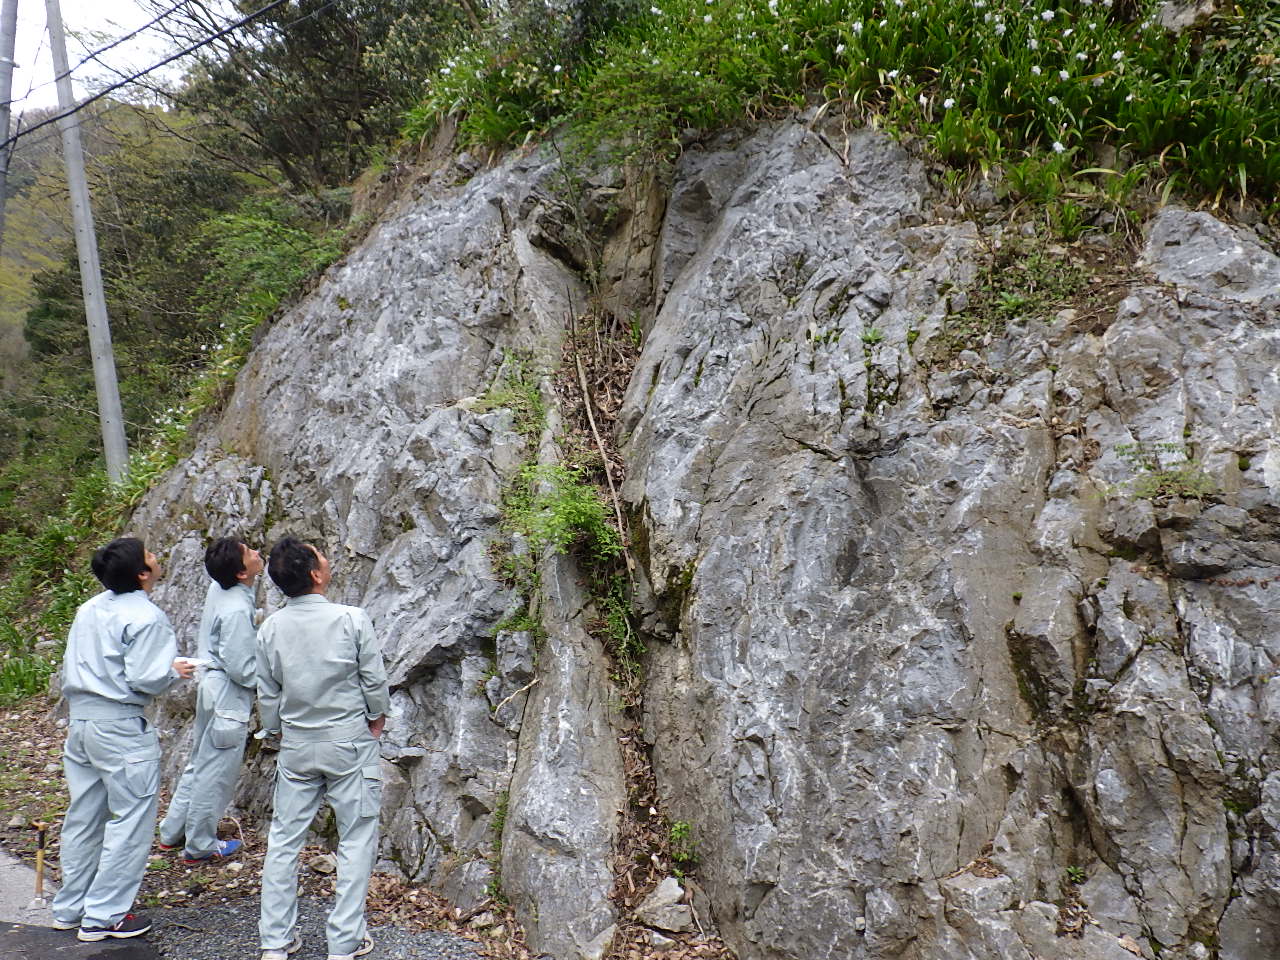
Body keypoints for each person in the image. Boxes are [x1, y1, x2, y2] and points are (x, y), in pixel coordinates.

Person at [50, 537, 196, 941]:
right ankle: (105, 915)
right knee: (130, 819)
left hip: (81, 722)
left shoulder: (88, 609)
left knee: (84, 816)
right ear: (142, 574)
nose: (155, 556)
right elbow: (146, 677)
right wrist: (174, 670)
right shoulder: (147, 616)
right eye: (149, 555)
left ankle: (70, 907)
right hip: (120, 725)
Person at [256, 537, 389, 960]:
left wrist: (276, 730)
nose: (326, 559)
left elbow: (268, 695)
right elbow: (373, 680)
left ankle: (275, 942)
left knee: (284, 841)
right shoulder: (351, 619)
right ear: (315, 573)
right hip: (349, 741)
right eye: (320, 555)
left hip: (297, 745)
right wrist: (376, 716)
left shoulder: (271, 627)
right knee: (356, 838)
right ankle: (343, 942)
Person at [157, 537, 264, 864]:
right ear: (243, 572)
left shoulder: (221, 589)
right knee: (215, 773)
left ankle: (172, 831)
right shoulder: (235, 608)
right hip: (227, 695)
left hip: (211, 687)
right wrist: (275, 680)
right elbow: (242, 668)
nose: (258, 553)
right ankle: (200, 845)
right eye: (250, 553)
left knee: (199, 763)